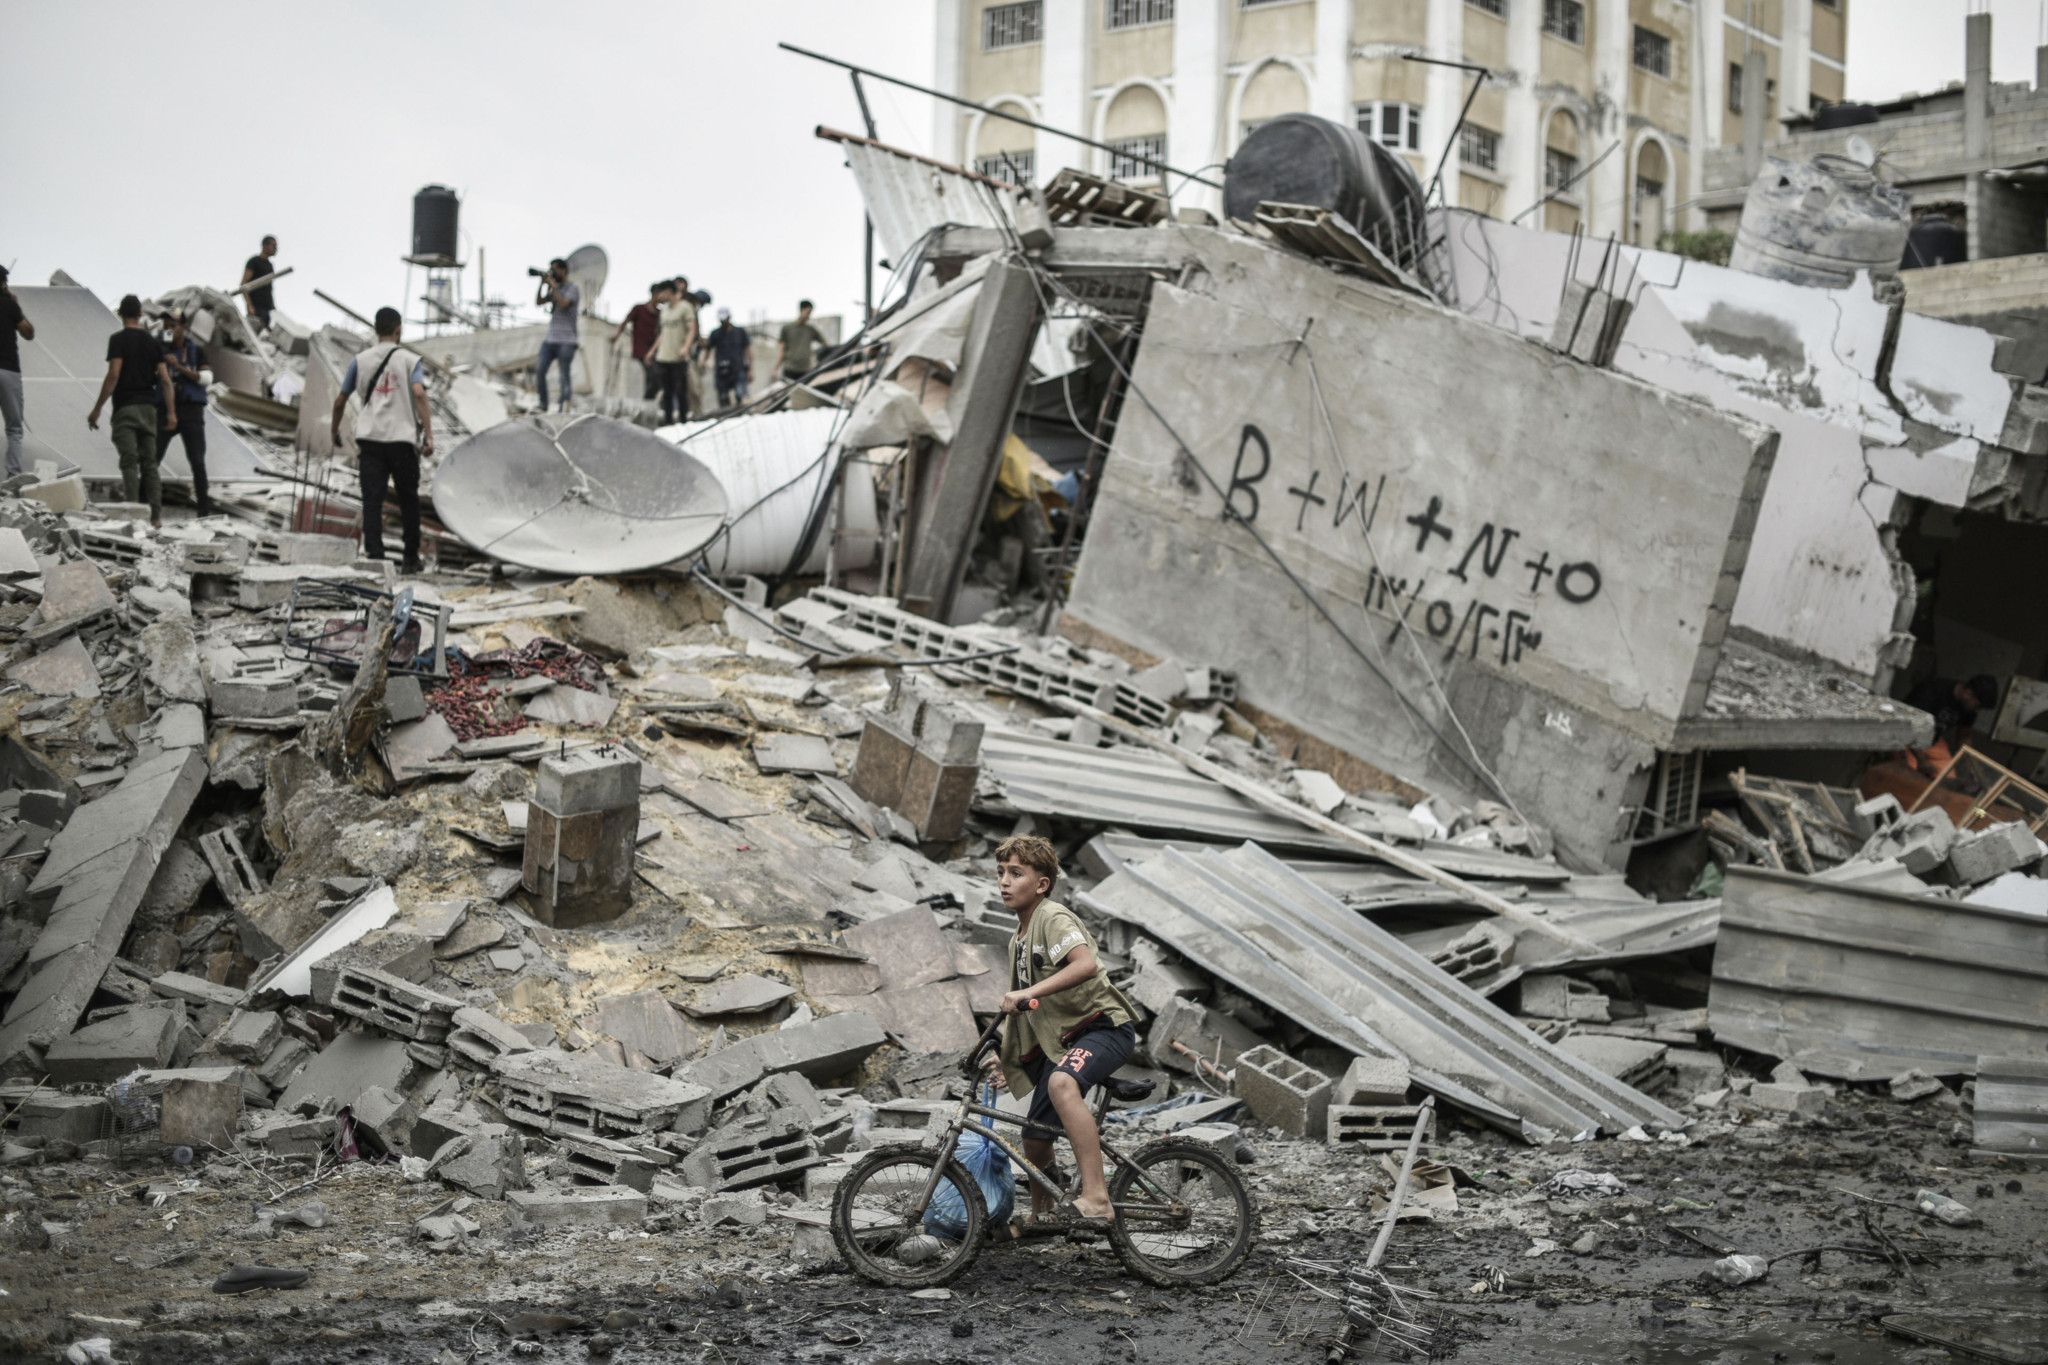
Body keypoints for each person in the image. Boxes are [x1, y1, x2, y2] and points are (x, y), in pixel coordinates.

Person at [981, 834, 1137, 1232]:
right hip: (1065, 1042)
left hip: (1104, 1028)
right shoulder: (1018, 939)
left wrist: (1029, 991)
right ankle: (1044, 1216)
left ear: (1042, 884)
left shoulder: (1053, 918)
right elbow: (1031, 1013)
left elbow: (1085, 964)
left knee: (1062, 1083)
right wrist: (1008, 1059)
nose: (1004, 881)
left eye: (1016, 873)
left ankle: (1097, 1198)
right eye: (1001, 872)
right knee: (1035, 1138)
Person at [329, 307, 432, 573]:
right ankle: (410, 559)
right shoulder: (410, 360)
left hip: (371, 439)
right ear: (399, 330)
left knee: (372, 500)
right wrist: (429, 435)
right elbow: (419, 393)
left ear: (376, 330)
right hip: (402, 440)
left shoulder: (360, 360)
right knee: (409, 500)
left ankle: (375, 556)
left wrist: (334, 430)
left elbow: (340, 401)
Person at [87, 294, 175, 527]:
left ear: (121, 314)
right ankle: (155, 517)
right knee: (150, 464)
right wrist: (171, 412)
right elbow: (165, 379)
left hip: (125, 407)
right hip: (148, 409)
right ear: (140, 314)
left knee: (129, 462)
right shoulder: (153, 343)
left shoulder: (118, 340)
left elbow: (114, 374)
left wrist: (97, 409)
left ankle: (134, 515)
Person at [154, 313, 214, 517]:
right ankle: (144, 505)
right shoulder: (159, 349)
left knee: (197, 461)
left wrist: (178, 366)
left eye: (173, 325)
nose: (169, 330)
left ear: (184, 328)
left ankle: (203, 511)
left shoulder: (196, 351)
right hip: (165, 409)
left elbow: (206, 378)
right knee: (153, 458)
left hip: (191, 410)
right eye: (166, 326)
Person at [1905, 672, 1999, 767]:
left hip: (1930, 741)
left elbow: (1964, 735)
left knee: (1945, 772)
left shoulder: (1969, 708)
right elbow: (1911, 728)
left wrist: (1971, 762)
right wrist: (1922, 761)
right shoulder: (1932, 690)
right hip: (1906, 736)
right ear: (1968, 693)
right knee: (1912, 770)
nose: (1977, 710)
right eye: (1978, 706)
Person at [534, 257, 579, 413]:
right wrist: (542, 284)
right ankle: (543, 404)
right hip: (551, 339)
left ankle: (564, 406)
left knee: (564, 374)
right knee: (540, 369)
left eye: (555, 270)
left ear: (563, 270)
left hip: (567, 340)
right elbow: (539, 302)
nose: (552, 273)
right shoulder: (554, 289)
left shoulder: (572, 288)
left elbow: (564, 304)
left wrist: (553, 287)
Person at [0, 266, 33, 478]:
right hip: (8, 370)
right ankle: (13, 474)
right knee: (14, 428)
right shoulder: (10, 305)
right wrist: (16, 305)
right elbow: (29, 333)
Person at [613, 281, 665, 402]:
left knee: (656, 377)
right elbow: (625, 321)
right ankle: (646, 401)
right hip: (641, 349)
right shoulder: (639, 309)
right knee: (653, 375)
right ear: (655, 294)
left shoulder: (660, 313)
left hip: (654, 350)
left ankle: (648, 401)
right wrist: (616, 336)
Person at [651, 281, 693, 424]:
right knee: (666, 392)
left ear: (669, 291)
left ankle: (683, 421)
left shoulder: (685, 307)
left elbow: (692, 329)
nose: (660, 296)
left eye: (662, 293)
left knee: (681, 391)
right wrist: (653, 351)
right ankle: (669, 422)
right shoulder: (664, 311)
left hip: (678, 358)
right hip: (663, 357)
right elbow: (663, 333)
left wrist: (686, 347)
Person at [707, 307, 752, 409]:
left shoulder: (740, 332)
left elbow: (748, 350)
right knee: (723, 399)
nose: (724, 322)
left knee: (741, 395)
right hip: (722, 371)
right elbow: (708, 348)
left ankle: (743, 413)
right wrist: (705, 361)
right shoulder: (715, 334)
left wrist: (750, 369)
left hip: (738, 368)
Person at [775, 299, 826, 386]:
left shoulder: (811, 329)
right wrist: (776, 368)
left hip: (805, 371)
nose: (809, 315)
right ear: (801, 310)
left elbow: (825, 343)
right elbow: (781, 350)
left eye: (810, 313)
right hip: (790, 369)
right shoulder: (787, 328)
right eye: (808, 312)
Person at [242, 236, 280, 328]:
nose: (275, 249)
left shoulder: (270, 266)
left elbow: (268, 289)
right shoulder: (254, 261)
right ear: (265, 246)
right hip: (256, 308)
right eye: (273, 245)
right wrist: (250, 306)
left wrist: (273, 308)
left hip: (268, 309)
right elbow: (244, 285)